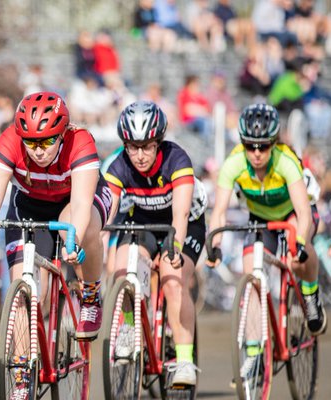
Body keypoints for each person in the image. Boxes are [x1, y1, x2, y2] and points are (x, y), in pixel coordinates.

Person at [0, 92, 110, 396]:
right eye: (31, 142)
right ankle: (22, 372)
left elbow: (78, 206)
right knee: (26, 294)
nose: (38, 151)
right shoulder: (10, 140)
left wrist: (72, 240)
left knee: (75, 229)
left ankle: (90, 294)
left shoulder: (81, 141)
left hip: (75, 202)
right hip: (28, 207)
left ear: (62, 134)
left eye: (47, 142)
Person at [209, 105, 327, 370]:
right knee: (251, 282)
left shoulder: (286, 160)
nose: (257, 153)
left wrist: (299, 242)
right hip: (260, 220)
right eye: (250, 146)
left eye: (263, 146)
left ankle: (310, 295)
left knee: (297, 257)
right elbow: (218, 213)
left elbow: (304, 212)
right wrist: (214, 246)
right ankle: (253, 354)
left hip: (292, 215)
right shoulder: (234, 163)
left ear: (274, 143)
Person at [103, 101, 205, 387]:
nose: (139, 155)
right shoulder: (118, 165)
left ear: (159, 142)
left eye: (146, 146)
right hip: (144, 223)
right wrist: (97, 239)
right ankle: (127, 329)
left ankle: (184, 360)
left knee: (173, 281)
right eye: (132, 147)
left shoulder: (177, 159)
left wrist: (173, 249)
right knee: (122, 270)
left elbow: (181, 214)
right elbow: (107, 212)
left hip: (184, 224)